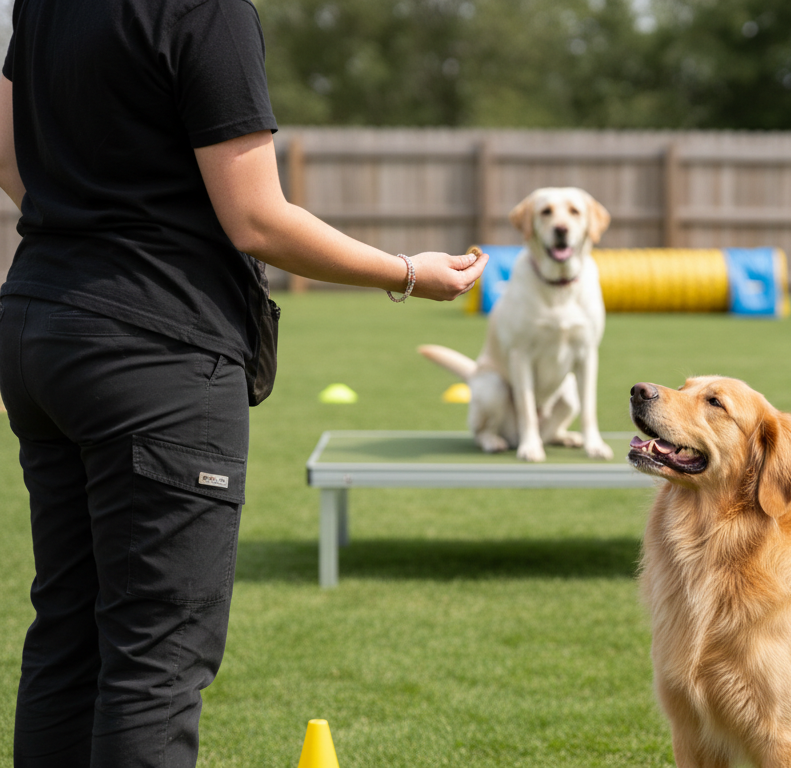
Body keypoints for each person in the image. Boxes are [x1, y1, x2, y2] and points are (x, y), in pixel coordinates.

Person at [0, 0, 487, 764]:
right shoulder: (206, 9)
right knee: (155, 657)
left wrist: (92, 240)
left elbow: (8, 159)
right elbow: (257, 219)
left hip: (42, 324)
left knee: (67, 631)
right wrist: (405, 273)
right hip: (155, 351)